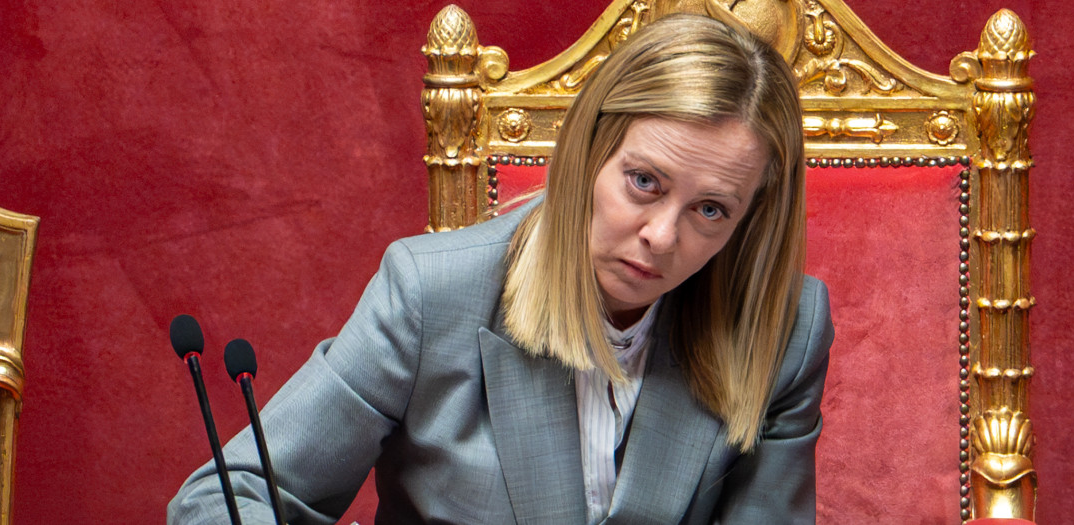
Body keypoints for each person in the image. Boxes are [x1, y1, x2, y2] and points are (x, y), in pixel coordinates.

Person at [169, 13, 832, 525]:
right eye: (644, 182)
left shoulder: (786, 331)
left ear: (752, 218)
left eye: (711, 209)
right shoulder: (432, 292)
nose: (661, 235)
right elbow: (220, 499)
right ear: (589, 154)